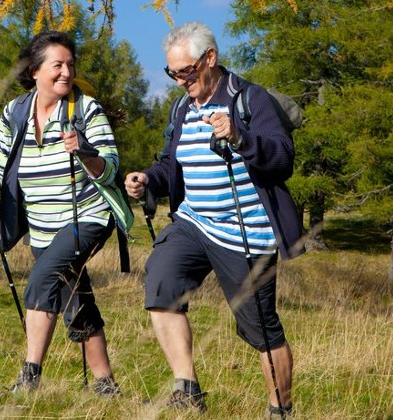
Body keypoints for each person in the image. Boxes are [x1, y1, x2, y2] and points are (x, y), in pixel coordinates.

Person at [124, 22, 303, 418]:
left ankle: (281, 409)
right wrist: (147, 179)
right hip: (194, 223)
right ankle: (187, 390)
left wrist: (240, 138)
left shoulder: (249, 99)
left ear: (210, 59)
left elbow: (282, 158)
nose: (178, 81)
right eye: (172, 73)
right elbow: (172, 165)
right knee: (161, 283)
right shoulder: (183, 108)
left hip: (245, 231)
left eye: (186, 71)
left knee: (260, 327)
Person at [0, 31, 121, 396]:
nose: (66, 72)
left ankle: (30, 374)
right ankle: (105, 385)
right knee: (75, 299)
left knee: (42, 277)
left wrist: (85, 152)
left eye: (70, 65)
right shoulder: (15, 111)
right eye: (58, 65)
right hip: (41, 226)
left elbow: (111, 167)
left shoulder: (86, 110)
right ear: (35, 70)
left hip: (87, 217)